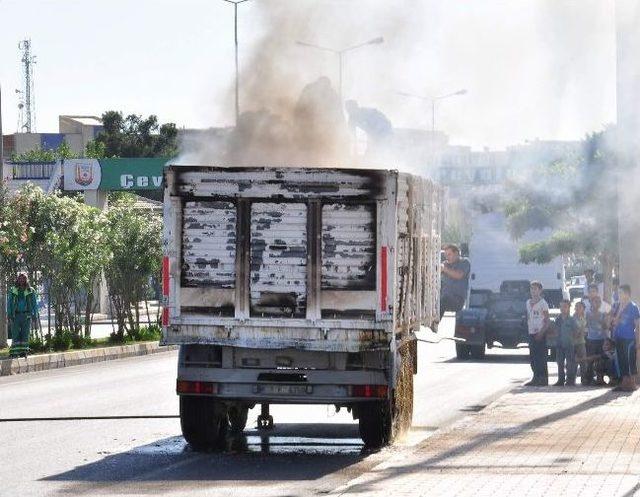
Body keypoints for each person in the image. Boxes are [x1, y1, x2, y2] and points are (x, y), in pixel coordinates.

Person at [610, 284, 639, 392]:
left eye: (621, 292)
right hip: (618, 337)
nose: (619, 294)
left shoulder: (633, 307)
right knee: (621, 361)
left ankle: (632, 383)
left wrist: (638, 342)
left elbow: (637, 325)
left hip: (629, 338)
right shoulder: (617, 306)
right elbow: (613, 321)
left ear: (627, 294)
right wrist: (619, 310)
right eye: (618, 292)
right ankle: (624, 383)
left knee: (629, 360)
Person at [7, 273, 38, 358]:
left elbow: (34, 303)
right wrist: (9, 314)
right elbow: (9, 303)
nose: (21, 280)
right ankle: (14, 352)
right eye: (20, 278)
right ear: (17, 279)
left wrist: (34, 314)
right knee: (15, 333)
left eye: (23, 278)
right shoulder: (13, 290)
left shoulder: (30, 290)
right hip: (15, 315)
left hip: (26, 315)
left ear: (26, 279)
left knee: (25, 333)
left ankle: (24, 352)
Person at [525, 281, 550, 386]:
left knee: (541, 357)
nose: (533, 291)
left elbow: (547, 320)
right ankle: (535, 377)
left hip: (540, 333)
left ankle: (543, 378)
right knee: (533, 357)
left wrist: (542, 332)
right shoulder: (527, 302)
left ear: (540, 290)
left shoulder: (543, 303)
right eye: (532, 289)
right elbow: (528, 317)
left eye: (535, 289)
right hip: (531, 332)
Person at [439, 244, 471, 319]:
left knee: (444, 299)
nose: (447, 257)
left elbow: (459, 275)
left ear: (456, 253)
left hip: (457, 299)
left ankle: (435, 322)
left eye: (449, 254)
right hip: (443, 297)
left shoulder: (464, 262)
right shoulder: (445, 264)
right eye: (445, 255)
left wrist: (445, 269)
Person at [585, 295, 608, 386]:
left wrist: (601, 320)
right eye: (595, 301)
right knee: (590, 360)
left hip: (601, 339)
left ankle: (600, 378)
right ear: (591, 303)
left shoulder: (603, 314)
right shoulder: (587, 313)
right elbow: (584, 325)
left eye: (599, 302)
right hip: (591, 339)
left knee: (601, 359)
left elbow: (606, 327)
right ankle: (588, 379)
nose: (597, 303)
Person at [554, 300, 578, 386]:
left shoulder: (572, 320)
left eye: (565, 306)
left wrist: (573, 340)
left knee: (570, 363)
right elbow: (555, 330)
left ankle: (570, 380)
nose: (562, 308)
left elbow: (576, 331)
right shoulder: (558, 319)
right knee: (560, 362)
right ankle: (560, 380)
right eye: (561, 306)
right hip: (559, 344)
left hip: (569, 344)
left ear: (569, 308)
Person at [573, 301, 589, 385]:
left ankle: (584, 379)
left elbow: (585, 331)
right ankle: (571, 379)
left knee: (583, 361)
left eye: (579, 307)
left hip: (581, 342)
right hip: (573, 343)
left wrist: (581, 331)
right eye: (576, 307)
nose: (577, 309)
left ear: (583, 309)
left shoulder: (584, 319)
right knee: (573, 362)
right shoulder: (572, 319)